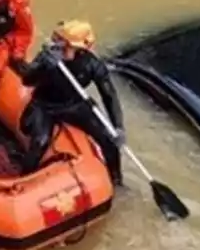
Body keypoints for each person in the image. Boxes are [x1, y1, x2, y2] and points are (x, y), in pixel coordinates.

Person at [18, 20, 125, 186]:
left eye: (67, 45)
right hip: (45, 104)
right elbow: (27, 80)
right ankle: (22, 181)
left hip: (74, 104)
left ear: (82, 49)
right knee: (40, 142)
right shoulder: (49, 56)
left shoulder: (92, 65)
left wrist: (118, 127)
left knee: (109, 140)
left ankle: (117, 181)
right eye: (61, 42)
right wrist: (44, 67)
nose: (61, 47)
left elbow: (109, 95)